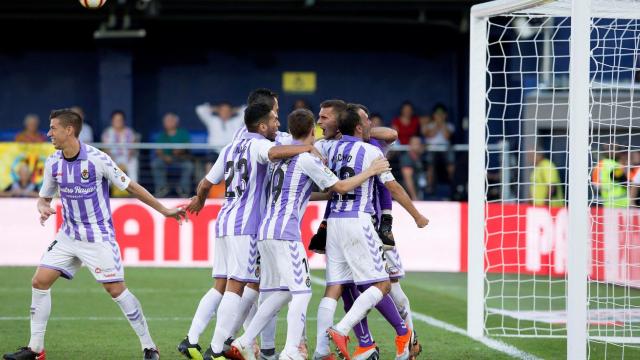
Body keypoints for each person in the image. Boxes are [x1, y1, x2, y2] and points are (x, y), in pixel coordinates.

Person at [2, 108, 186, 360]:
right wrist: (43, 207)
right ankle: (35, 349)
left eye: (53, 128)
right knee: (39, 281)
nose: (49, 133)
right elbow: (44, 198)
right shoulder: (53, 162)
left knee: (117, 290)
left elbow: (131, 186)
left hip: (97, 237)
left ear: (69, 130)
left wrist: (164, 210)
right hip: (68, 235)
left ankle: (149, 346)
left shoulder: (97, 159)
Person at [228, 109, 391, 360]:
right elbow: (341, 186)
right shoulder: (307, 159)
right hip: (285, 233)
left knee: (281, 291)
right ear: (312, 131)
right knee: (302, 292)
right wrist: (370, 171)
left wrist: (325, 193)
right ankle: (291, 350)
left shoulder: (279, 158)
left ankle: (244, 340)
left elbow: (299, 191)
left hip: (265, 233)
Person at [181, 102, 321, 360]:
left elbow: (205, 182)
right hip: (247, 225)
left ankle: (194, 340)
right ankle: (217, 348)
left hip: (224, 221)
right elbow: (275, 153)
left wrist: (200, 199)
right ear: (262, 124)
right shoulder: (259, 144)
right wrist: (307, 147)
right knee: (239, 286)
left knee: (223, 285)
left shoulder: (231, 146)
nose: (278, 124)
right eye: (274, 118)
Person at [313, 104, 429, 360]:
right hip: (361, 222)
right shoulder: (370, 151)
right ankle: (349, 331)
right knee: (383, 284)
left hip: (335, 223)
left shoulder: (327, 147)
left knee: (338, 286)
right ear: (357, 126)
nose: (370, 124)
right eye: (366, 121)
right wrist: (417, 215)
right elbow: (394, 188)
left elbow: (309, 148)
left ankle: (329, 350)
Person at [150, 112, 194, 197]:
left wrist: (180, 150)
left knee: (189, 165)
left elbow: (187, 145)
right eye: (166, 121)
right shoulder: (162, 135)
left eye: (170, 121)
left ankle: (183, 190)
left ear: (176, 122)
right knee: (156, 163)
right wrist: (164, 157)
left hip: (181, 158)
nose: (168, 123)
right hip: (165, 159)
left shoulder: (183, 132)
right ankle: (162, 189)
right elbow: (158, 150)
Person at [101, 110, 139, 184]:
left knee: (133, 162)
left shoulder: (129, 132)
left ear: (123, 121)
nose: (118, 122)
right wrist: (113, 161)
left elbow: (133, 147)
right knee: (107, 165)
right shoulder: (107, 132)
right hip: (112, 158)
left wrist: (127, 159)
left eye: (120, 120)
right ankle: (105, 192)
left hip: (127, 158)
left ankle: (135, 192)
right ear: (112, 121)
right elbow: (105, 149)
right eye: (116, 120)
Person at [400, 136, 428, 200]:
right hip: (408, 195)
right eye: (416, 144)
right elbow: (408, 180)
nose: (418, 146)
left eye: (419, 144)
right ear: (410, 145)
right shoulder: (406, 158)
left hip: (419, 190)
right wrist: (414, 196)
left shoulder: (420, 158)